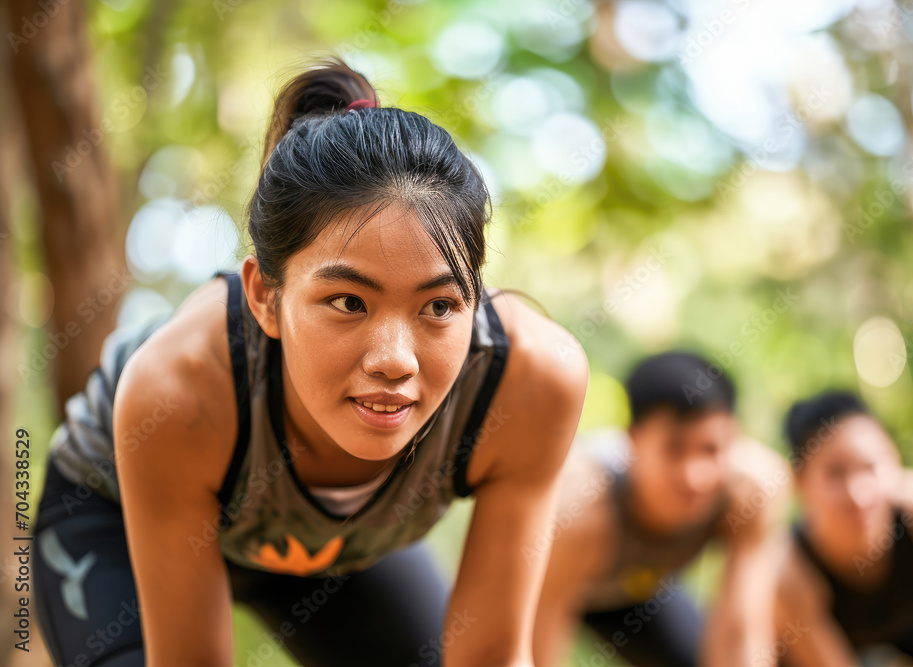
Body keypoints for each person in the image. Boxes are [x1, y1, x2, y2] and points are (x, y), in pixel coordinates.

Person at [30, 57, 589, 667]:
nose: (395, 362)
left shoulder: (530, 381)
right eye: (349, 301)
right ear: (265, 297)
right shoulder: (179, 387)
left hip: (336, 548)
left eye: (438, 306)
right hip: (114, 519)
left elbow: (491, 656)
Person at [532, 351, 792, 667]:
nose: (694, 477)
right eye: (675, 448)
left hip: (644, 589)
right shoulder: (580, 506)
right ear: (633, 441)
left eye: (710, 449)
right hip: (553, 584)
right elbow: (533, 647)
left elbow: (742, 631)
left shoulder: (751, 492)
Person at [774, 390, 913, 667]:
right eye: (835, 473)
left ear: (894, 458)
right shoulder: (789, 571)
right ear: (800, 481)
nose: (859, 494)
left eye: (870, 466)